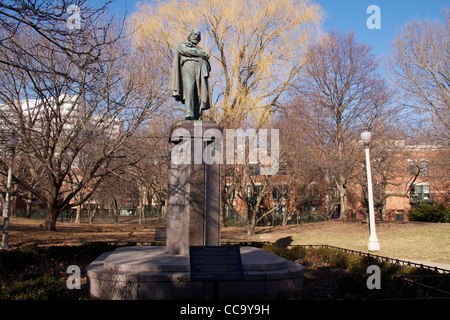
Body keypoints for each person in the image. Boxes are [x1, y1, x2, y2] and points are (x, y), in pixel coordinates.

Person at [169, 29, 211, 120]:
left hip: (199, 69)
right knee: (189, 89)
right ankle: (189, 112)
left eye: (198, 35)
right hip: (188, 68)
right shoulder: (183, 45)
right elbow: (187, 51)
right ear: (190, 35)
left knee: (198, 92)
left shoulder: (200, 50)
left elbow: (207, 60)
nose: (196, 36)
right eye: (194, 34)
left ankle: (197, 115)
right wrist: (200, 54)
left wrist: (201, 55)